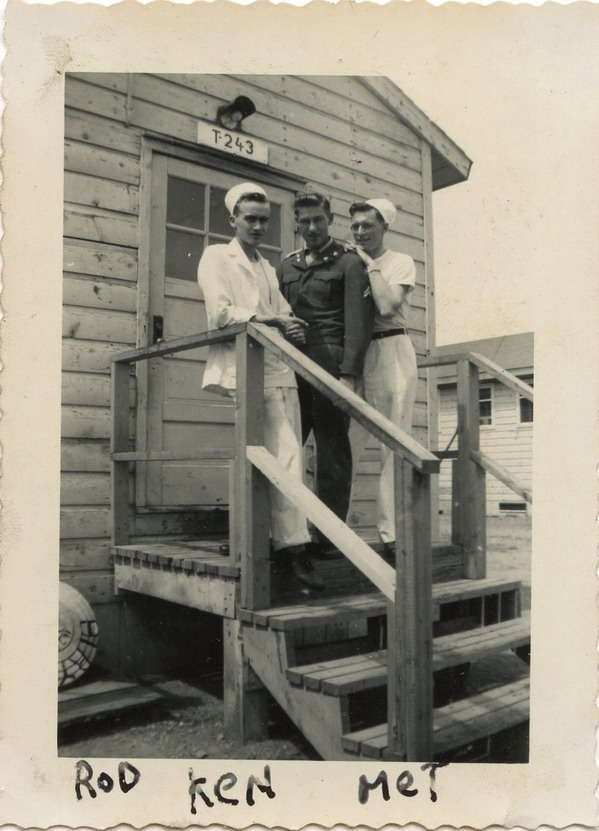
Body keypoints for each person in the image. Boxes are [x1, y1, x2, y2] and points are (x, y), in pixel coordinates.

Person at [197, 182, 324, 589]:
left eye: (263, 220)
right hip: (246, 366)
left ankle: (267, 540)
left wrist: (292, 327)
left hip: (277, 368)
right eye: (250, 218)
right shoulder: (217, 257)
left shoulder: (267, 267)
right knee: (284, 453)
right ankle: (293, 549)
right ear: (232, 219)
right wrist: (273, 321)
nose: (257, 226)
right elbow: (220, 314)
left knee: (283, 455)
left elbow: (281, 312)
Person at [277, 192, 374, 557]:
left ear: (330, 219)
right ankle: (282, 531)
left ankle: (330, 536)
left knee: (332, 450)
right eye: (305, 221)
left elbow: (358, 324)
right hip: (290, 366)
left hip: (329, 365)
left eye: (318, 219)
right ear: (296, 224)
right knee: (283, 447)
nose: (312, 227)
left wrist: (348, 375)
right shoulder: (286, 266)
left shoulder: (348, 262)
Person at [346, 198, 418, 561]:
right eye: (355, 226)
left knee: (393, 443)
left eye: (368, 226)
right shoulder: (349, 260)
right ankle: (329, 530)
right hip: (358, 353)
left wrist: (369, 264)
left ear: (384, 228)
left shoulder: (399, 261)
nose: (360, 232)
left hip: (392, 352)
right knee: (345, 443)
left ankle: (391, 535)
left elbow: (388, 306)